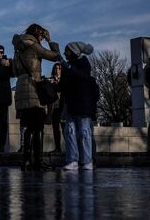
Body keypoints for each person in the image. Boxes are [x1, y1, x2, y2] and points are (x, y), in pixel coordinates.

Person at [12, 23, 63, 170]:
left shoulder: (17, 49)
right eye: (41, 34)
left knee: (28, 127)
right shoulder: (34, 46)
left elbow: (15, 71)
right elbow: (55, 57)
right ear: (37, 34)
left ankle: (26, 161)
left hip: (21, 88)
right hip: (33, 89)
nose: (42, 37)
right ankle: (38, 161)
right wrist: (49, 40)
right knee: (38, 126)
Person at [59, 42, 96, 171]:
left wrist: (68, 67)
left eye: (66, 51)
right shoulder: (66, 66)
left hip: (83, 103)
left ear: (73, 51)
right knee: (69, 132)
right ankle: (72, 160)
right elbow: (62, 85)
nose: (64, 53)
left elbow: (83, 76)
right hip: (70, 103)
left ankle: (87, 161)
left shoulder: (84, 62)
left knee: (84, 132)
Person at [48, 62, 64, 154]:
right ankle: (57, 148)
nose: (57, 70)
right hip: (54, 108)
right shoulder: (50, 80)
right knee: (55, 129)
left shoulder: (65, 80)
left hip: (63, 108)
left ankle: (69, 148)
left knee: (65, 129)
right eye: (55, 68)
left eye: (59, 68)